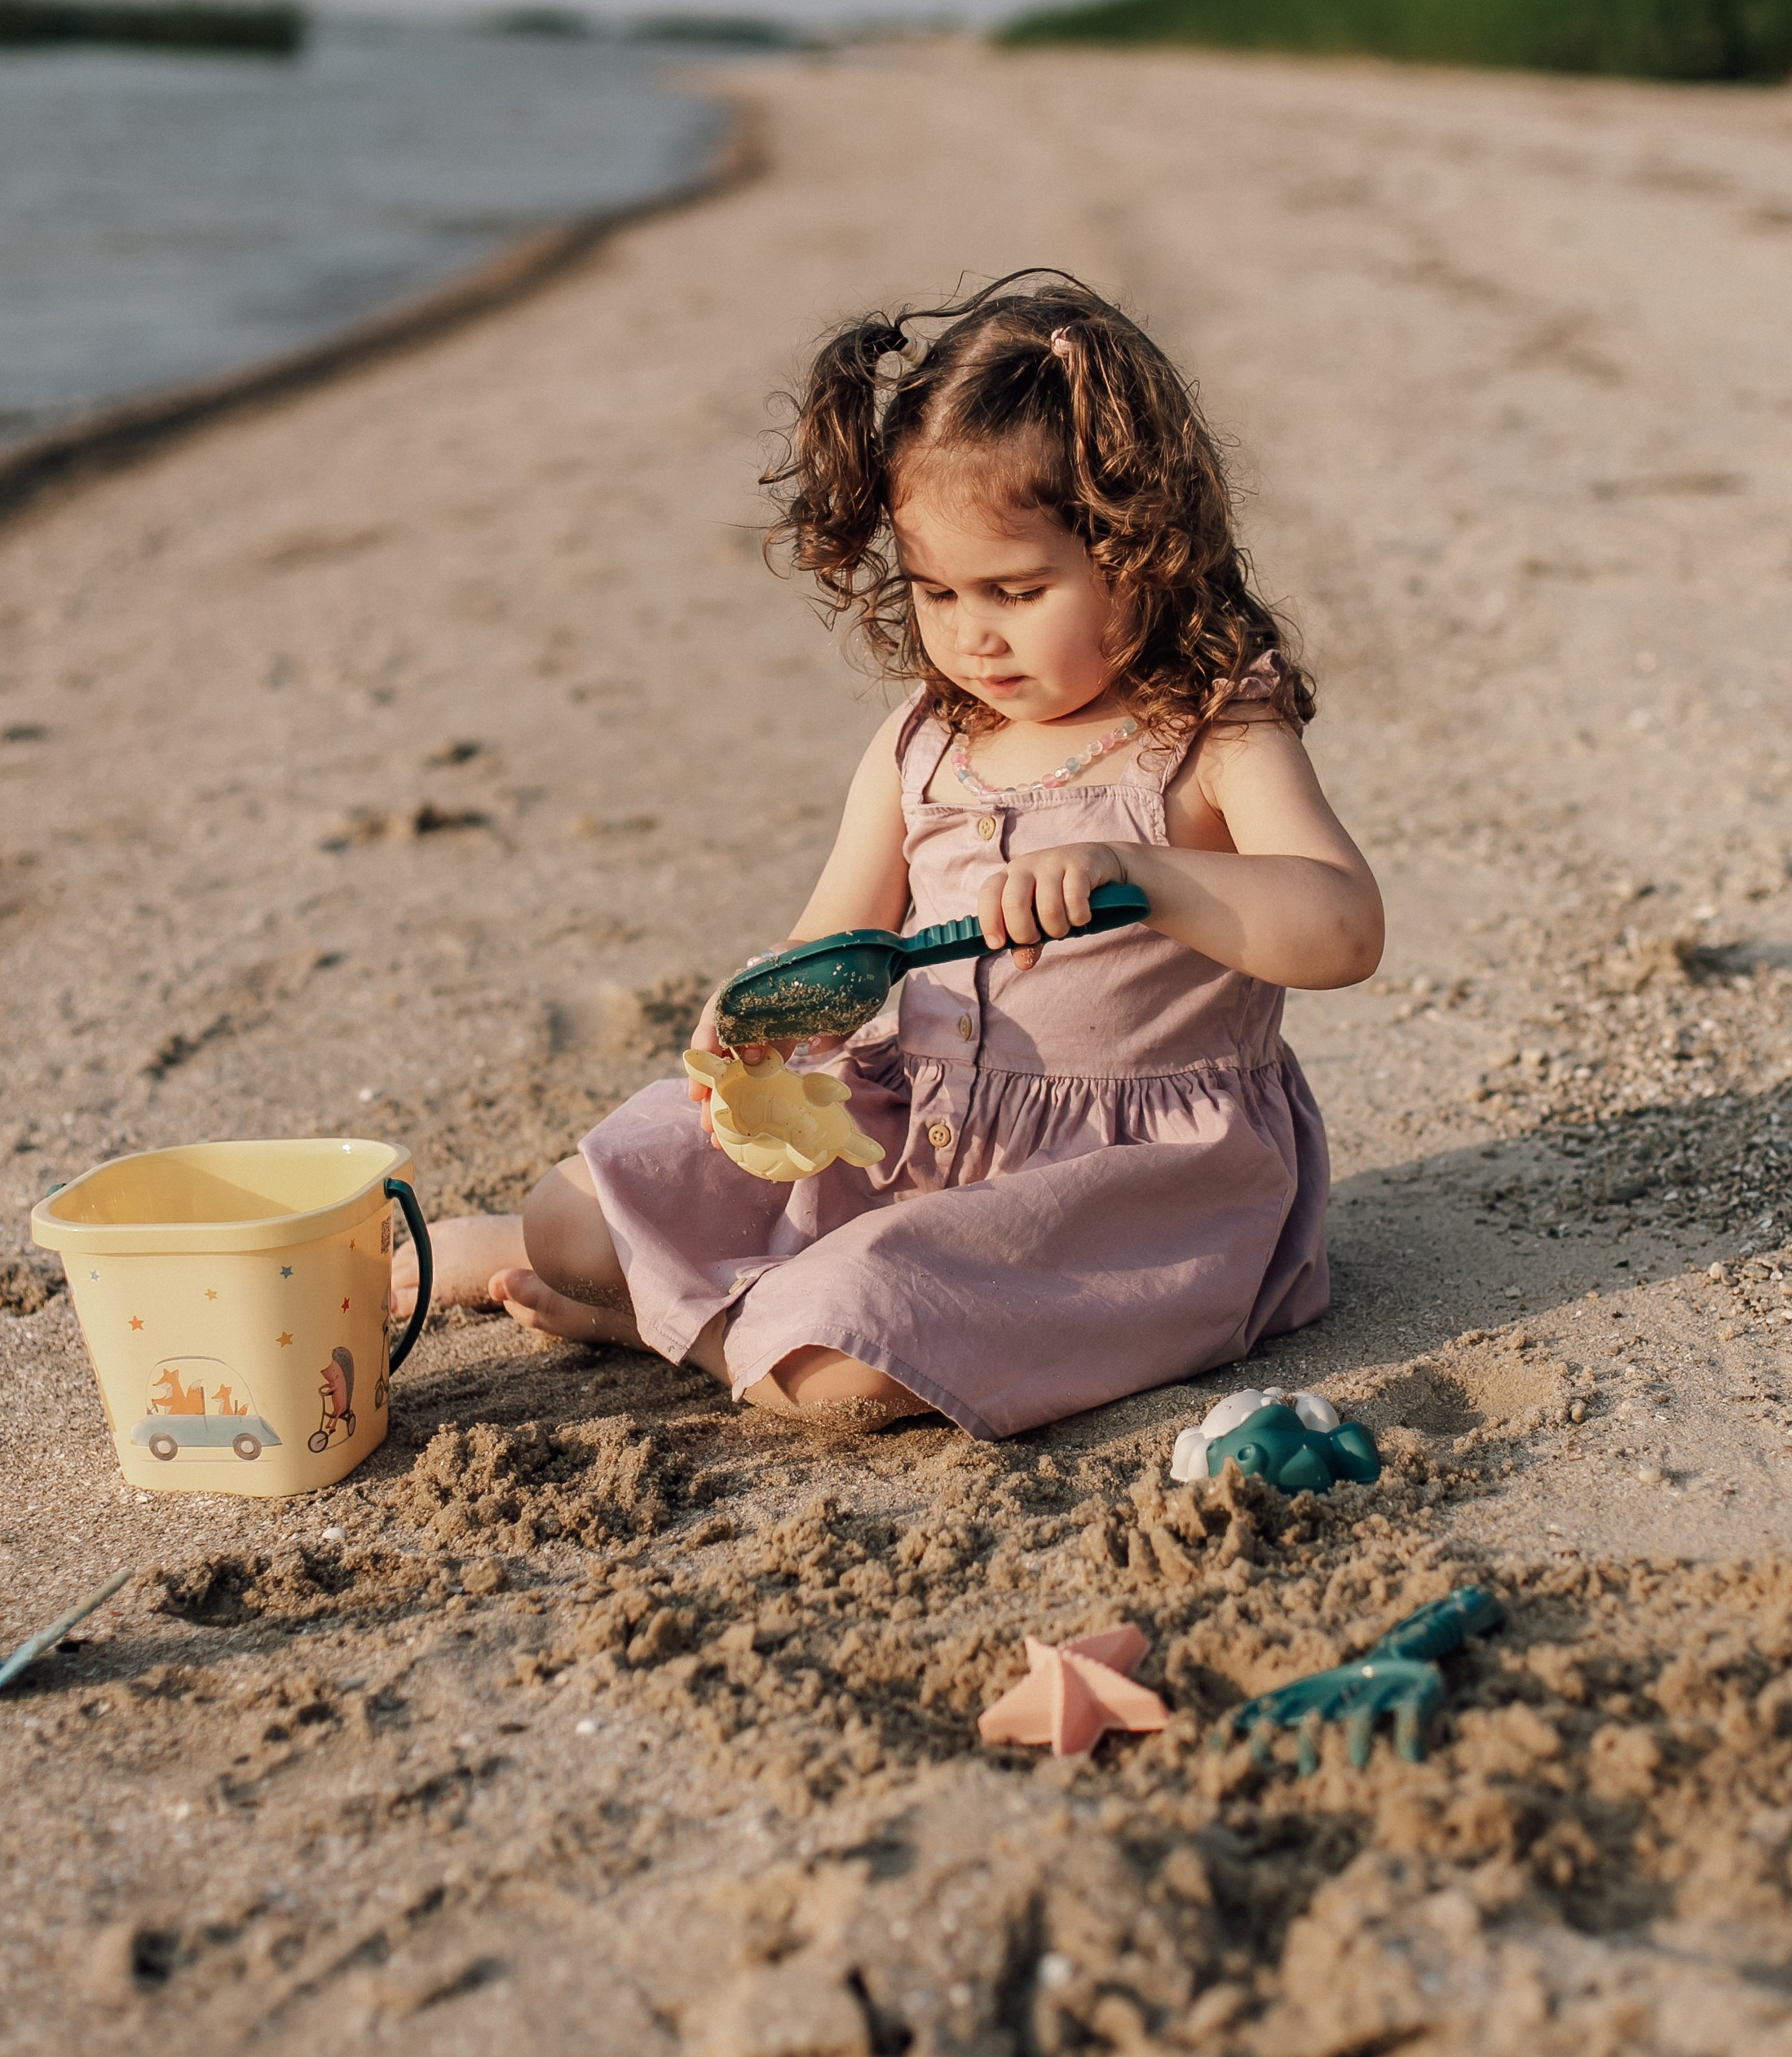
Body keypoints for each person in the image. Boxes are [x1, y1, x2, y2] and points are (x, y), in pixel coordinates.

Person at [400, 274, 1383, 1439]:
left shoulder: (1212, 732)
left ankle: (674, 1326)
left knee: (845, 1360)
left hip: (1112, 1195)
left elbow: (1342, 927)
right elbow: (835, 937)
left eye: (1019, 589)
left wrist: (1156, 876)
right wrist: (766, 1012)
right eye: (937, 590)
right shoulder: (925, 743)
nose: (974, 630)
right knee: (577, 1218)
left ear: (1142, 549)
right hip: (908, 1124)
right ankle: (542, 1264)